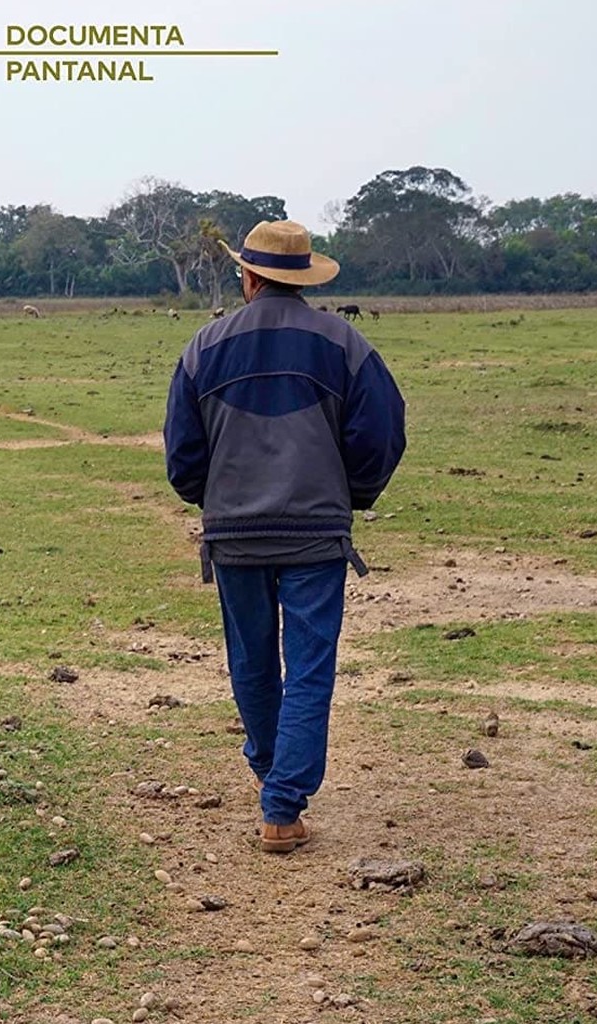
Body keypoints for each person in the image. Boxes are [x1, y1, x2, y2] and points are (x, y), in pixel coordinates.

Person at [164, 220, 406, 853]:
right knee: (309, 668)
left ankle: (274, 782)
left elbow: (182, 456)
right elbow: (381, 434)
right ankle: (281, 803)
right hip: (316, 535)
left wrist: (214, 499)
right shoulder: (346, 343)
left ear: (246, 276)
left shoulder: (202, 347)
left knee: (251, 662)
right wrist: (347, 495)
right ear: (301, 278)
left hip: (234, 533)